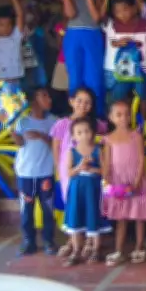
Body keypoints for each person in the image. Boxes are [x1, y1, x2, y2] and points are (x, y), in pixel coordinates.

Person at [49, 87, 108, 258]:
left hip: (90, 173)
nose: (83, 105)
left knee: (89, 204)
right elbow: (56, 149)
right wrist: (59, 171)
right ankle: (73, 241)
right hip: (69, 170)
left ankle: (90, 241)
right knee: (72, 205)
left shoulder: (96, 125)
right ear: (71, 101)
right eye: (80, 100)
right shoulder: (62, 124)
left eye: (88, 102)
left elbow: (104, 140)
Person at [101, 100, 146, 266]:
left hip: (135, 181)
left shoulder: (136, 135)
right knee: (121, 218)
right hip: (118, 181)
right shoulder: (109, 139)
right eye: (118, 115)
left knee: (139, 216)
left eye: (127, 114)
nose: (123, 117)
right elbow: (107, 163)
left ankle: (139, 247)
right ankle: (119, 250)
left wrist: (138, 180)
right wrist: (105, 180)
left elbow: (141, 159)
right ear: (111, 117)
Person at [12, 87, 57, 256]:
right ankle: (28, 241)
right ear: (34, 101)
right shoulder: (22, 121)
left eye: (49, 96)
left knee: (47, 208)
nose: (49, 99)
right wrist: (10, 128)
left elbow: (56, 144)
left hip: (45, 172)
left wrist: (41, 136)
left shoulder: (53, 121)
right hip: (25, 173)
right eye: (44, 96)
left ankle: (48, 241)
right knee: (27, 209)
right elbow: (19, 143)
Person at [57, 0, 105, 114]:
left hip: (93, 35)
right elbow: (70, 14)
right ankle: (76, 114)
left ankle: (97, 115)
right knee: (75, 76)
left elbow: (96, 18)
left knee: (94, 78)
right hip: (73, 36)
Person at [102, 0, 146, 116]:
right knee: (118, 96)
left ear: (134, 8)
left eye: (125, 9)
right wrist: (118, 43)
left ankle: (144, 123)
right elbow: (112, 42)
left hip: (142, 67)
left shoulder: (145, 25)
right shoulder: (113, 25)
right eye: (117, 11)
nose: (121, 14)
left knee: (143, 95)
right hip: (122, 69)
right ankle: (120, 122)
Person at [61, 116, 107, 266]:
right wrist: (80, 167)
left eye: (87, 131)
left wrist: (92, 168)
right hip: (76, 190)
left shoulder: (97, 150)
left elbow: (104, 171)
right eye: (79, 132)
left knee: (93, 215)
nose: (84, 135)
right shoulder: (72, 151)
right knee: (75, 217)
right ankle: (76, 250)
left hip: (92, 189)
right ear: (74, 136)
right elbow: (68, 172)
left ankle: (96, 249)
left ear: (92, 133)